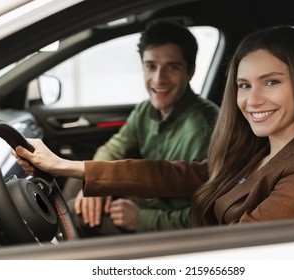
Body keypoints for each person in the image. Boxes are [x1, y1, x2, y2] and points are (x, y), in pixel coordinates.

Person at [14, 25, 294, 228]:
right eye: (244, 85)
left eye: (271, 82)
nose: (252, 101)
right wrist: (67, 167)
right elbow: (177, 175)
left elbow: (241, 253)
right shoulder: (257, 152)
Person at [61, 21, 219, 235]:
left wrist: (141, 220)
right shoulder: (145, 110)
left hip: (170, 227)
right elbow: (114, 148)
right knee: (79, 181)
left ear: (190, 71)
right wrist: (99, 184)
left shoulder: (206, 128)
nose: (158, 79)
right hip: (149, 199)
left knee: (72, 213)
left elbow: (210, 214)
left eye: (172, 67)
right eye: (151, 66)